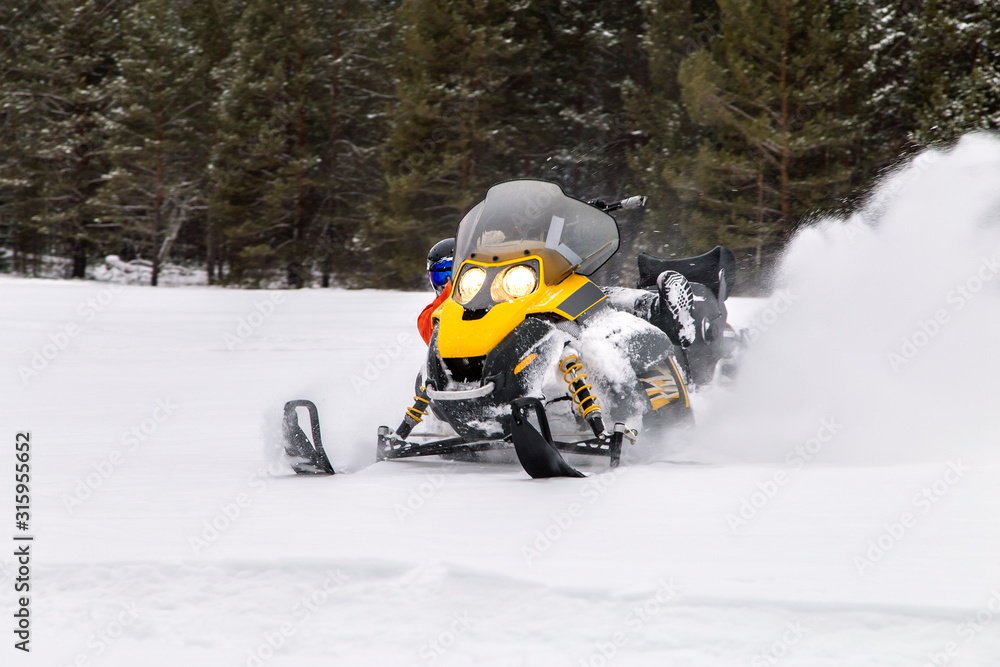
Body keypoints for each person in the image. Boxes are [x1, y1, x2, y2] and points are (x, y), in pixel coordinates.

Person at [417, 238, 454, 345]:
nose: (447, 280)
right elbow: (432, 334)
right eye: (440, 275)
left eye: (453, 272)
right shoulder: (427, 314)